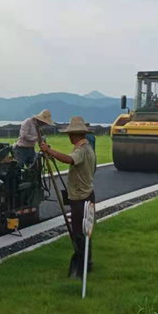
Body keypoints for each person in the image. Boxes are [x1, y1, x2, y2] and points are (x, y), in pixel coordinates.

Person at [40, 116, 97, 278]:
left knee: (79, 232)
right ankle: (87, 262)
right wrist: (51, 154)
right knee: (86, 231)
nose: (69, 137)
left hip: (80, 197)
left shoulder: (82, 150)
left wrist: (49, 151)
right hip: (86, 194)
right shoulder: (88, 148)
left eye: (70, 135)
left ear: (74, 135)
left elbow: (69, 159)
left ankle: (82, 264)